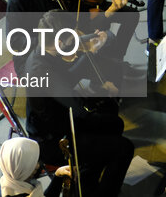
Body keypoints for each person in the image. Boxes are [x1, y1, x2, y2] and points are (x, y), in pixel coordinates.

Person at [25, 12, 135, 197]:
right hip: (54, 141)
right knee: (124, 147)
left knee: (112, 118)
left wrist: (92, 51)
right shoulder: (41, 71)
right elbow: (80, 110)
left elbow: (65, 79)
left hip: (60, 118)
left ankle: (87, 180)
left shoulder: (42, 50)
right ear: (60, 43)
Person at [0, 136, 70, 197]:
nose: (37, 166)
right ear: (19, 168)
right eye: (30, 163)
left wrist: (58, 175)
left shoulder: (8, 181)